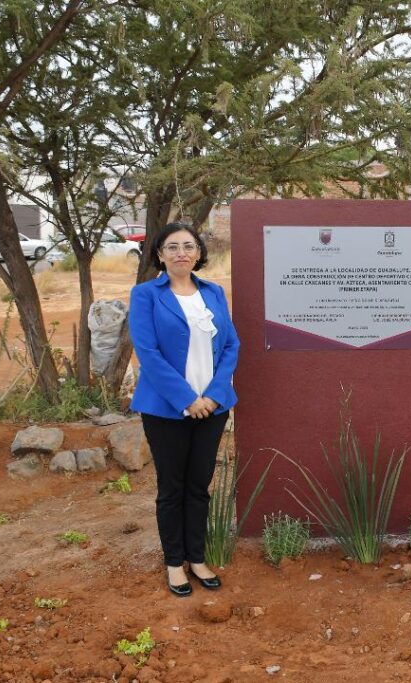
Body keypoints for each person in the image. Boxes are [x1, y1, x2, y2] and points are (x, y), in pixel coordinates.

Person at [129, 222, 240, 597]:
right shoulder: (146, 295)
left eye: (188, 246)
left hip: (213, 407)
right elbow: (148, 353)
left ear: (198, 253)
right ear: (159, 254)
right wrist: (186, 400)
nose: (181, 253)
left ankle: (197, 558)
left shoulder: (214, 292)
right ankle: (174, 564)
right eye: (172, 247)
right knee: (172, 488)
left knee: (199, 486)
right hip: (166, 410)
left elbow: (231, 347)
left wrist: (212, 395)